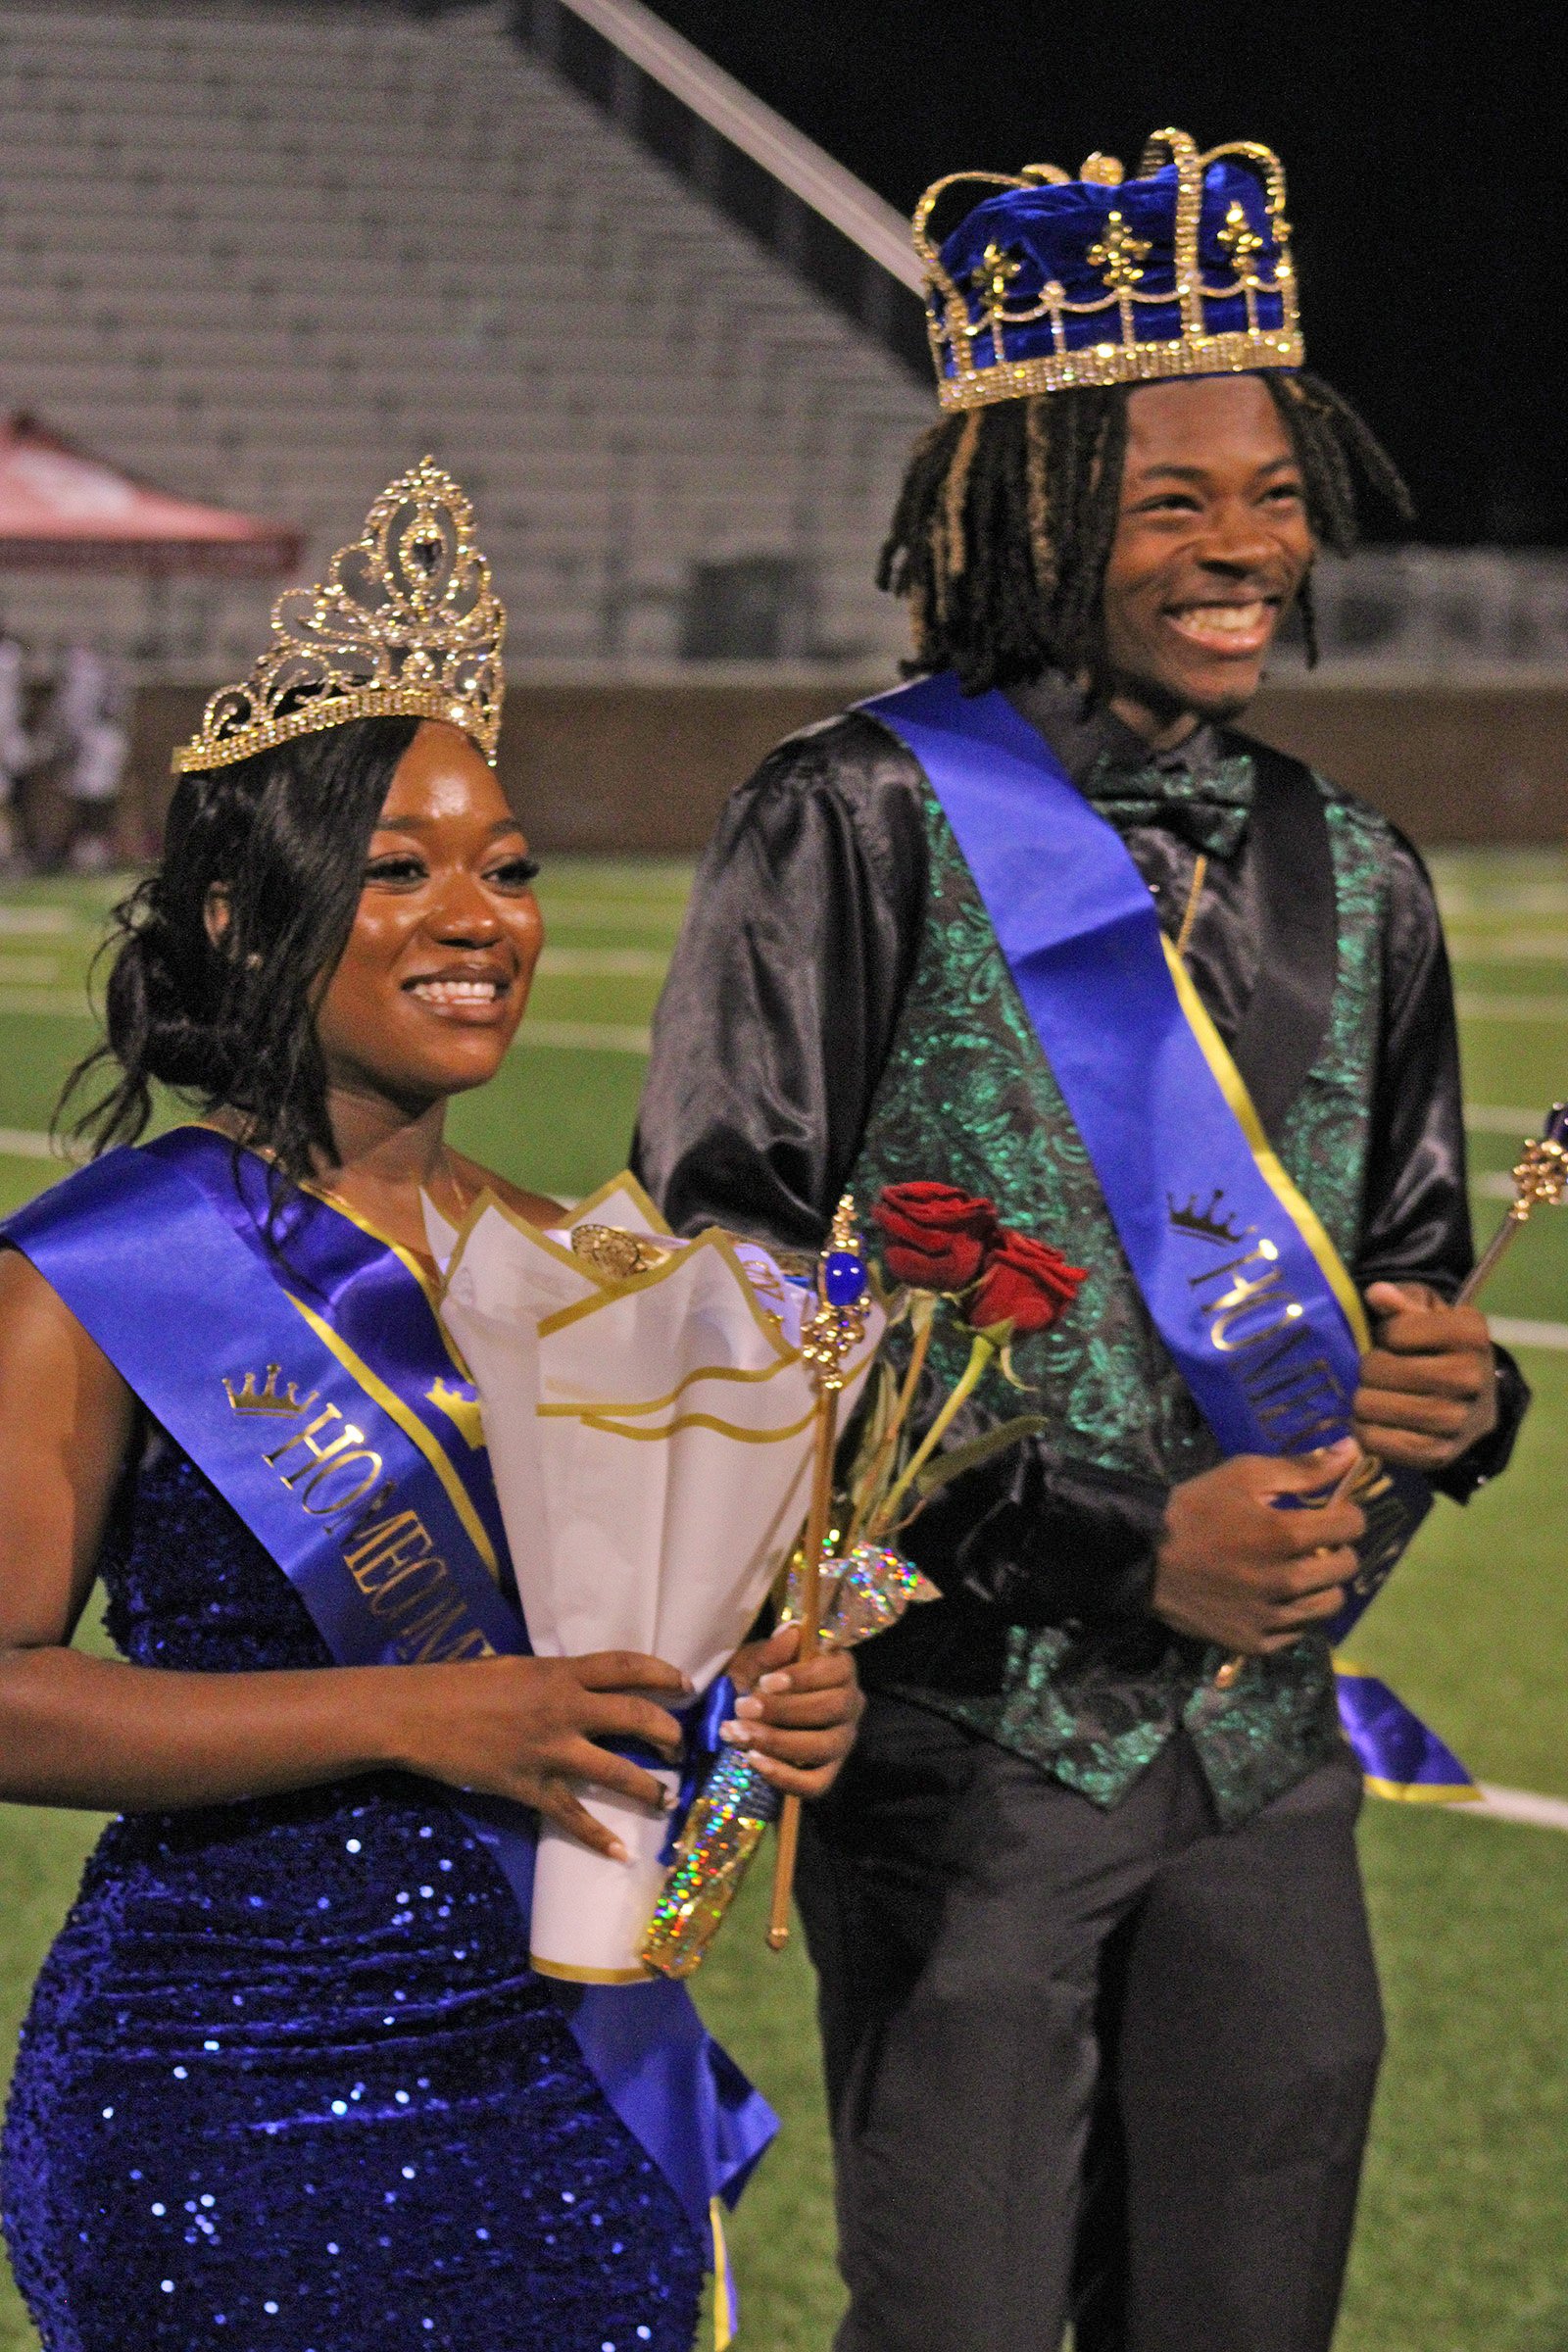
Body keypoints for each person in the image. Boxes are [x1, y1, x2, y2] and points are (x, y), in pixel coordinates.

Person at [632, 132, 1530, 2352]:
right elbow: (719, 1314)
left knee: (1245, 2306)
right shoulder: (843, 822)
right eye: (1172, 502)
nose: (1246, 551)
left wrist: (1458, 1406)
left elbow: (1404, 1279)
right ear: (1027, 517)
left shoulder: (1358, 867)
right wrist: (1125, 1545)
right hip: (959, 1751)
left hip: (1260, 1757)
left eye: (1269, 493)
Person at [0, 461, 861, 2352]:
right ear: (237, 918)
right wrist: (431, 1709)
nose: (478, 916)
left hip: (568, 2089)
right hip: (221, 2094)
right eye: (397, 869)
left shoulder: (602, 1274)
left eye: (507, 866)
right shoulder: (103, 1268)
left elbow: (632, 1696)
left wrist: (765, 1708)